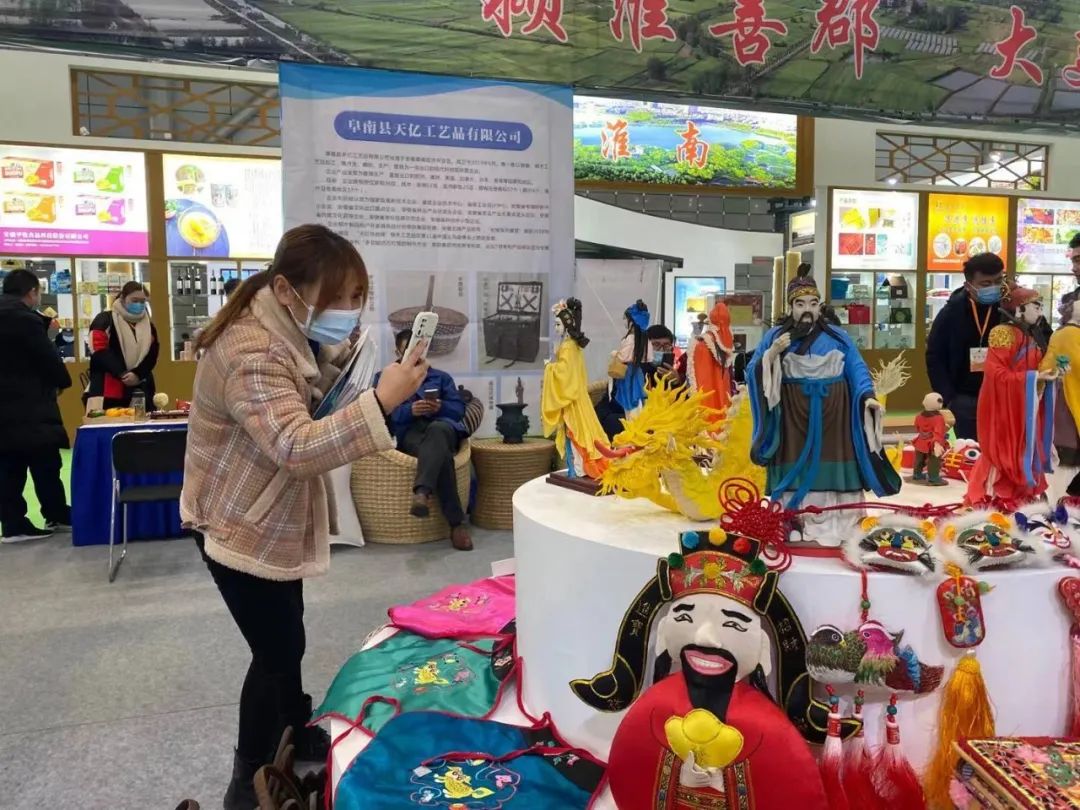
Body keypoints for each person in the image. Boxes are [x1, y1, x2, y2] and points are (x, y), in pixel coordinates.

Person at [180, 224, 429, 809]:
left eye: (357, 297)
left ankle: (294, 728)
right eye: (338, 298)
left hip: (265, 517)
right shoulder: (252, 352)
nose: (349, 310)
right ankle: (248, 780)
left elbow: (310, 385)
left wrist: (361, 369)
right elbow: (294, 446)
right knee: (275, 652)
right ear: (288, 291)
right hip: (236, 524)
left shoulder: (285, 330)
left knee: (286, 639)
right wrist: (383, 400)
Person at [747, 264, 900, 545]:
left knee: (836, 463)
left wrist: (867, 396)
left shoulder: (838, 337)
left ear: (820, 306)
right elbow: (752, 371)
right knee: (794, 463)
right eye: (800, 304)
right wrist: (772, 354)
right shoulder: (775, 337)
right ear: (791, 307)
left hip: (835, 412)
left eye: (813, 303)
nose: (807, 309)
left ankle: (841, 520)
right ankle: (792, 518)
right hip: (792, 414)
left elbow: (856, 367)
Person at [379, 328, 473, 552]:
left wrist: (440, 407)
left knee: (438, 430)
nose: (415, 356)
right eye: (408, 351)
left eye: (419, 351)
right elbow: (381, 413)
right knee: (441, 456)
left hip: (443, 427)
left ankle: (422, 493)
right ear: (398, 352)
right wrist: (410, 411)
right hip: (410, 433)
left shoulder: (441, 377)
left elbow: (458, 410)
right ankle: (456, 524)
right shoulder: (386, 378)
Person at [966, 286, 1057, 507]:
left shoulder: (1032, 334)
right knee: (1003, 451)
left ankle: (1023, 496)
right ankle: (994, 498)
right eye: (1036, 306)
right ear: (1019, 309)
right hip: (1004, 405)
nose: (1040, 311)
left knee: (1026, 446)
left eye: (1041, 306)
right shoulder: (1002, 333)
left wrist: (1051, 374)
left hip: (1026, 402)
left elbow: (1037, 367)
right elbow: (996, 373)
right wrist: (1033, 377)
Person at [0, 269, 72, 542]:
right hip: (31, 405)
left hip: (5, 410)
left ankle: (13, 523)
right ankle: (56, 513)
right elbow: (47, 358)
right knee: (46, 462)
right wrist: (61, 380)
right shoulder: (26, 320)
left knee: (9, 466)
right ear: (32, 292)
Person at [926, 253, 1006, 440]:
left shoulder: (1009, 309)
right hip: (964, 398)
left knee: (1002, 449)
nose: (994, 288)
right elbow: (935, 355)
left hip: (1002, 395)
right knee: (970, 449)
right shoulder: (951, 312)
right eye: (986, 284)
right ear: (969, 285)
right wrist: (949, 397)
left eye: (998, 281)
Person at [542, 298, 609, 479]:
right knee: (577, 432)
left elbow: (565, 372)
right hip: (576, 394)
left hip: (573, 399)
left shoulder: (568, 347)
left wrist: (549, 367)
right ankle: (578, 468)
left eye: (558, 324)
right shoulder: (571, 345)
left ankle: (579, 468)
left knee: (576, 433)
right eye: (555, 324)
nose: (556, 328)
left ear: (567, 325)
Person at [87, 281, 160, 409]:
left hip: (141, 386)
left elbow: (153, 353)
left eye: (143, 301)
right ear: (122, 298)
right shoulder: (104, 319)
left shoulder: (149, 325)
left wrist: (137, 374)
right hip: (109, 388)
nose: (139, 304)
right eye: (135, 300)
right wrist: (122, 373)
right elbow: (99, 350)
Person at [1043, 290, 1080, 502]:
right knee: (1067, 463)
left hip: (1068, 400)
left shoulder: (1064, 333)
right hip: (1069, 403)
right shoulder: (1067, 335)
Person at [686, 301, 735, 420]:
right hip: (721, 403)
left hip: (705, 405)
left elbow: (698, 379)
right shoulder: (722, 346)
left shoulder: (701, 345)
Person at [610, 299, 650, 413]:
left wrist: (615, 353)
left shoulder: (630, 339)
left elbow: (623, 357)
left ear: (632, 322)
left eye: (626, 319)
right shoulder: (644, 339)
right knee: (636, 401)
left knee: (630, 402)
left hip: (628, 373)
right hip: (636, 372)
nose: (625, 322)